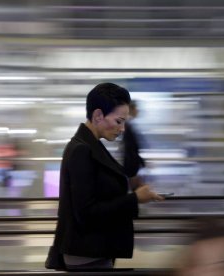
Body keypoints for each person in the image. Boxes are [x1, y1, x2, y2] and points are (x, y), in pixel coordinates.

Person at [46, 83, 163, 271]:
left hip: (93, 252)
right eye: (119, 121)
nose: (123, 128)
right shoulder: (82, 150)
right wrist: (135, 199)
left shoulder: (91, 146)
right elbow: (86, 212)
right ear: (98, 115)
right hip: (86, 254)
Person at [120, 100, 148, 190]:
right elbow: (130, 149)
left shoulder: (128, 125)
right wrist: (133, 172)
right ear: (131, 110)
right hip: (131, 168)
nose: (138, 111)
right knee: (135, 194)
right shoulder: (127, 126)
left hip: (132, 167)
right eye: (136, 108)